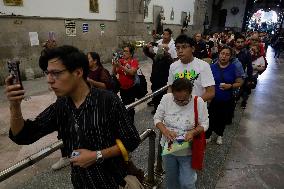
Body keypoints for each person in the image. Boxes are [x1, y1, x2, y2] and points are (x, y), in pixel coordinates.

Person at [5, 45, 141, 188]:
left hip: (113, 181)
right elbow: (23, 135)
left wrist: (97, 155)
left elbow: (131, 140)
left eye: (56, 73)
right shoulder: (61, 106)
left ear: (78, 72)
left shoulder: (108, 100)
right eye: (47, 73)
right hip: (81, 183)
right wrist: (15, 105)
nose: (49, 80)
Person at [154, 78, 209, 189]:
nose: (180, 102)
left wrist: (193, 132)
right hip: (169, 149)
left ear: (190, 93)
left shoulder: (198, 102)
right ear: (173, 93)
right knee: (171, 180)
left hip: (188, 149)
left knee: (187, 182)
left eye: (184, 99)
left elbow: (204, 124)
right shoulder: (166, 99)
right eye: (177, 99)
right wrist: (165, 131)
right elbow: (157, 119)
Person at [206, 46, 243, 145]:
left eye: (227, 54)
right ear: (219, 54)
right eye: (222, 53)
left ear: (230, 57)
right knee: (210, 117)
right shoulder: (212, 67)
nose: (224, 56)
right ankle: (208, 135)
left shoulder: (233, 68)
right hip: (212, 99)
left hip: (226, 99)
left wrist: (230, 86)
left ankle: (220, 135)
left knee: (222, 119)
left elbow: (240, 82)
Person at [167, 34, 215, 102]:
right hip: (178, 108)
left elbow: (210, 92)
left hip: (196, 108)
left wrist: (192, 103)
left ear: (192, 49)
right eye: (177, 48)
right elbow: (170, 88)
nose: (180, 51)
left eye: (184, 47)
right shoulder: (173, 66)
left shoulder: (203, 66)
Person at [144, 28, 177, 114]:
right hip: (155, 74)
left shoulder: (173, 46)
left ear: (170, 35)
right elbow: (151, 54)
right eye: (163, 34)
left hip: (165, 74)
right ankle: (156, 106)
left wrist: (166, 53)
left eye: (166, 34)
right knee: (155, 90)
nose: (164, 36)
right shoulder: (158, 43)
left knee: (163, 92)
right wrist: (146, 48)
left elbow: (174, 61)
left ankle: (162, 109)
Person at [112, 44, 139, 125]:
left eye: (126, 51)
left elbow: (132, 72)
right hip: (122, 88)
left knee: (130, 107)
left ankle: (131, 123)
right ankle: (126, 122)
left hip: (131, 88)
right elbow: (114, 73)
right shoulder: (120, 61)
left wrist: (121, 66)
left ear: (131, 54)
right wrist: (114, 65)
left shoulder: (134, 61)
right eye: (123, 51)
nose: (124, 53)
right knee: (124, 105)